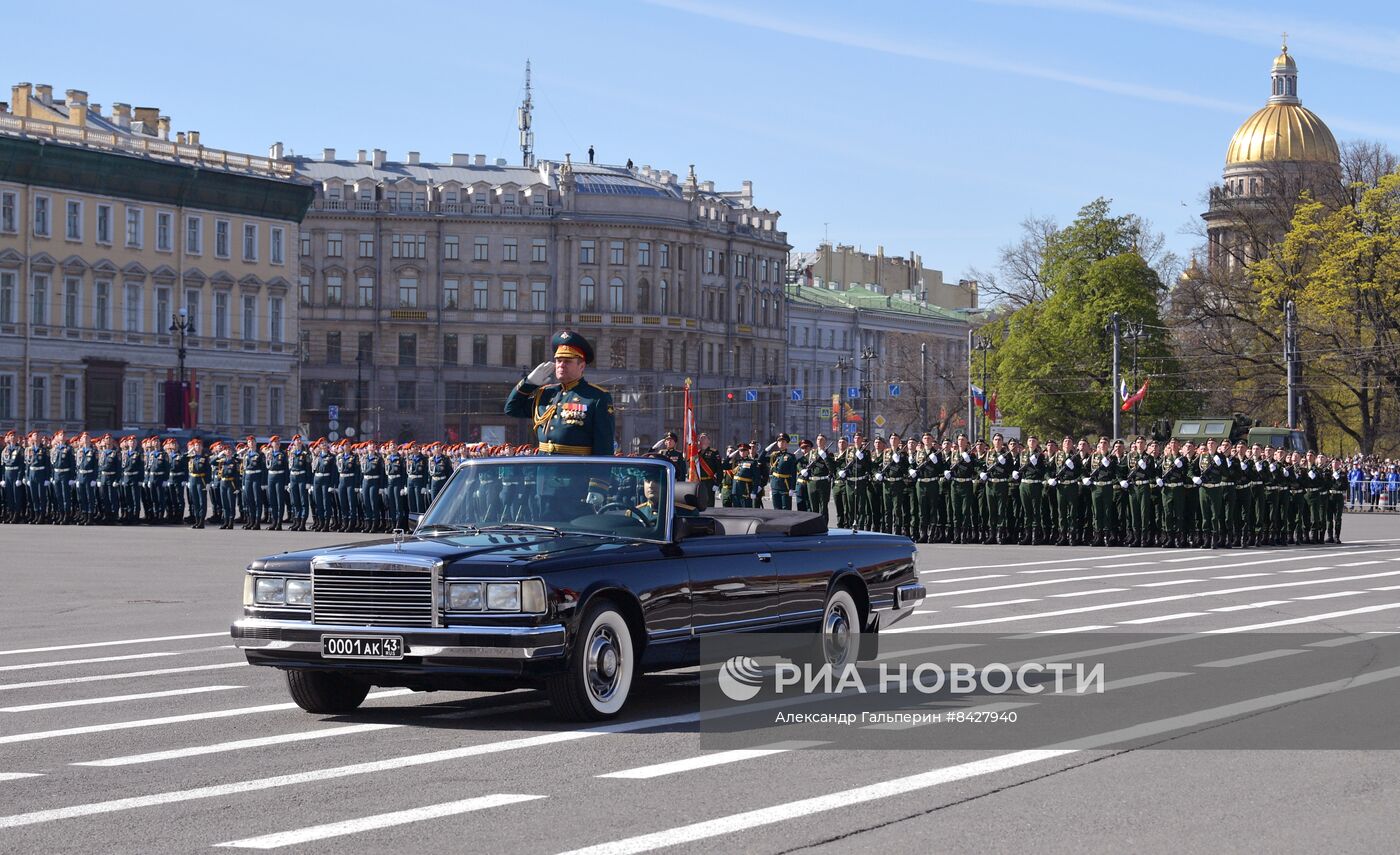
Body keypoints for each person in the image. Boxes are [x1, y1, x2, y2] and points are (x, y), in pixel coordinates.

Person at [506, 330, 615, 456]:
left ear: (582, 366)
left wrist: (596, 476)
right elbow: (511, 409)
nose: (561, 365)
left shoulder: (597, 397)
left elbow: (604, 447)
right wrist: (528, 383)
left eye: (567, 361)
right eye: (558, 360)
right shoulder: (545, 393)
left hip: (576, 472)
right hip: (544, 471)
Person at [186, 438, 210, 529]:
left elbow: (208, 470)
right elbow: (184, 458)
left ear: (202, 447)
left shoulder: (205, 457)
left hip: (201, 480)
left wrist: (208, 482)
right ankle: (196, 521)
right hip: (192, 480)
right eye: (196, 445)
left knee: (202, 502)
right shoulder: (191, 457)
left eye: (199, 445)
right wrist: (191, 450)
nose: (198, 447)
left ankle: (201, 522)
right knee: (195, 501)